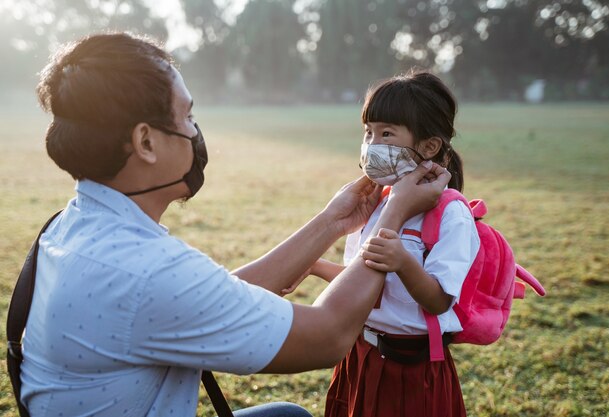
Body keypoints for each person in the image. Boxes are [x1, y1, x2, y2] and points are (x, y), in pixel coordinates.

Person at [18, 33, 451, 417]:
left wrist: (332, 222)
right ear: (146, 142)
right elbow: (330, 334)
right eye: (187, 117)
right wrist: (392, 216)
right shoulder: (146, 272)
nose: (196, 131)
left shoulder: (69, 227)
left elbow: (209, 296)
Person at [295, 71, 480, 417]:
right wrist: (313, 267)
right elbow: (361, 281)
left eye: (387, 134)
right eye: (368, 133)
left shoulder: (451, 214)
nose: (372, 144)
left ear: (429, 146)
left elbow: (440, 300)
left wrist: (404, 262)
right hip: (360, 356)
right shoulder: (377, 201)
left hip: (411, 370)